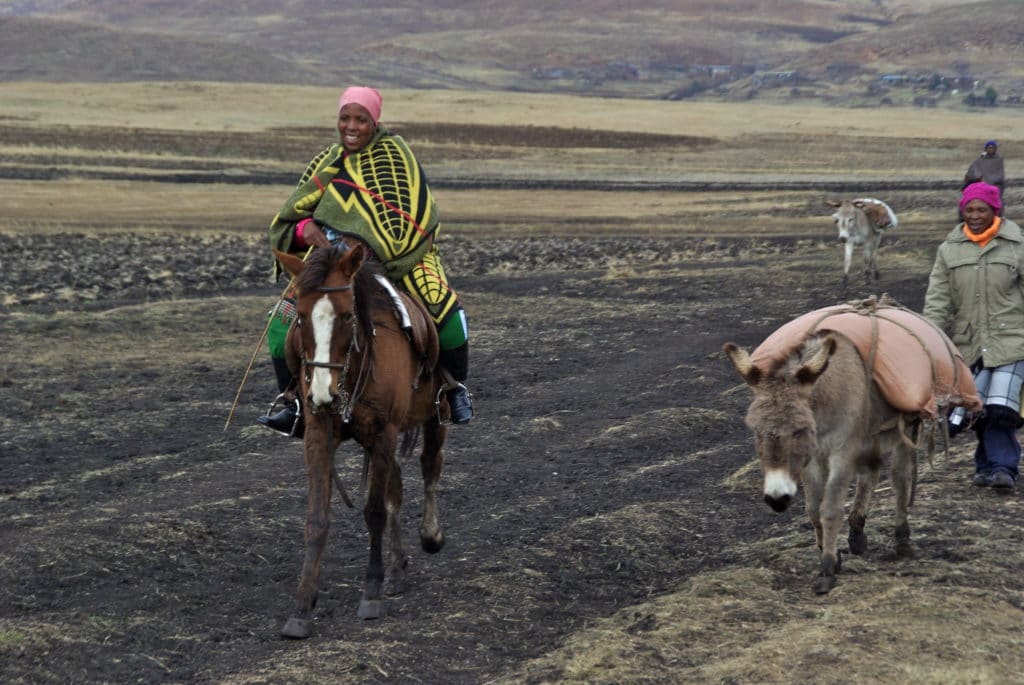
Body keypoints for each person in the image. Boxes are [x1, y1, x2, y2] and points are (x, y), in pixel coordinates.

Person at [257, 86, 474, 436]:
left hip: (404, 257)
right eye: (345, 118)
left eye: (361, 119)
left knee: (445, 309)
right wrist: (304, 231)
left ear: (375, 122)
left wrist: (371, 245)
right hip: (335, 263)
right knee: (282, 321)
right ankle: (293, 400)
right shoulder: (327, 161)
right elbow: (289, 218)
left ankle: (452, 388)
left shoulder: (396, 158)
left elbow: (414, 216)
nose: (352, 126)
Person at [923, 182, 1024, 491]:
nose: (975, 215)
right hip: (969, 345)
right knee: (975, 408)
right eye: (969, 209)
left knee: (999, 408)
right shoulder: (949, 250)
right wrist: (929, 339)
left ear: (995, 211)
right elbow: (939, 299)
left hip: (1012, 341)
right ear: (962, 211)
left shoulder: (1016, 246)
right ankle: (985, 467)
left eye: (982, 209)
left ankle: (1003, 468)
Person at [963, 140, 1005, 215]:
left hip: (995, 187)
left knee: (998, 205)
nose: (991, 149)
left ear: (996, 149)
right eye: (989, 148)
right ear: (985, 149)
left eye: (992, 148)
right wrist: (976, 178)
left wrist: (993, 182)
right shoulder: (980, 160)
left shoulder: (999, 160)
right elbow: (973, 172)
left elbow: (1000, 175)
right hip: (982, 187)